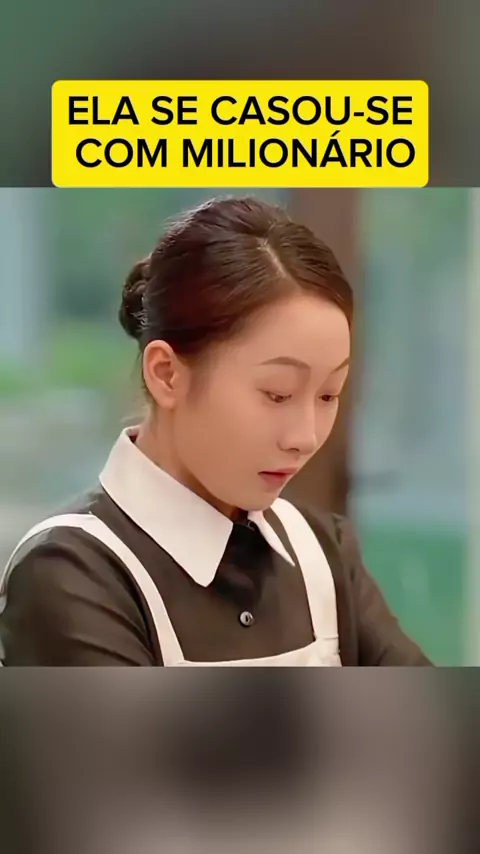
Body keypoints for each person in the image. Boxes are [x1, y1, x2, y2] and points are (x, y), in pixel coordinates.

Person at [0, 196, 430, 666]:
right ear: (166, 374)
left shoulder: (321, 552)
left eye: (328, 395)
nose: (305, 437)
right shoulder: (70, 572)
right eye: (278, 394)